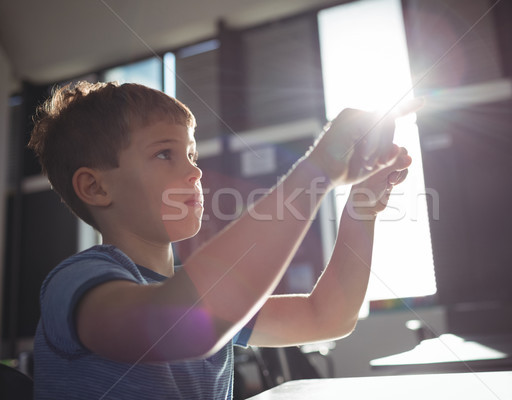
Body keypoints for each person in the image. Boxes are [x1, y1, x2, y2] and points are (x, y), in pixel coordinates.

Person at [29, 81, 420, 399]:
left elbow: (328, 316)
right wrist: (317, 172)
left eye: (193, 156)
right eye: (166, 154)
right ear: (95, 187)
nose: (194, 173)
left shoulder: (193, 293)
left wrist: (362, 208)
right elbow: (177, 325)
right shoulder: (76, 281)